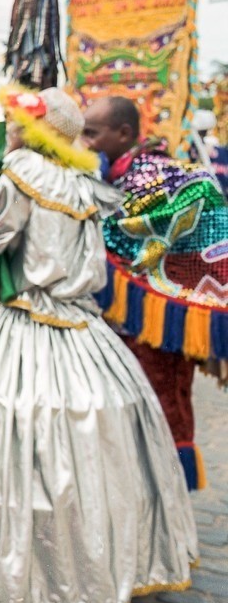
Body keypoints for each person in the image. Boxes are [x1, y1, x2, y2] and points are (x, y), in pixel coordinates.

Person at [0, 86, 197, 603]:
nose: (8, 132)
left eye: (15, 125)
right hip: (83, 330)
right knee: (97, 443)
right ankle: (94, 568)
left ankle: (6, 569)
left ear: (33, 132)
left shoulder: (20, 174)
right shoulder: (86, 185)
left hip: (20, 323)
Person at [83, 95, 228, 490]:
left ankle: (169, 502)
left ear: (125, 133)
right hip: (117, 324)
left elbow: (204, 198)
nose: (86, 141)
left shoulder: (165, 174)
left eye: (93, 132)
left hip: (164, 324)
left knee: (166, 404)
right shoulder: (103, 176)